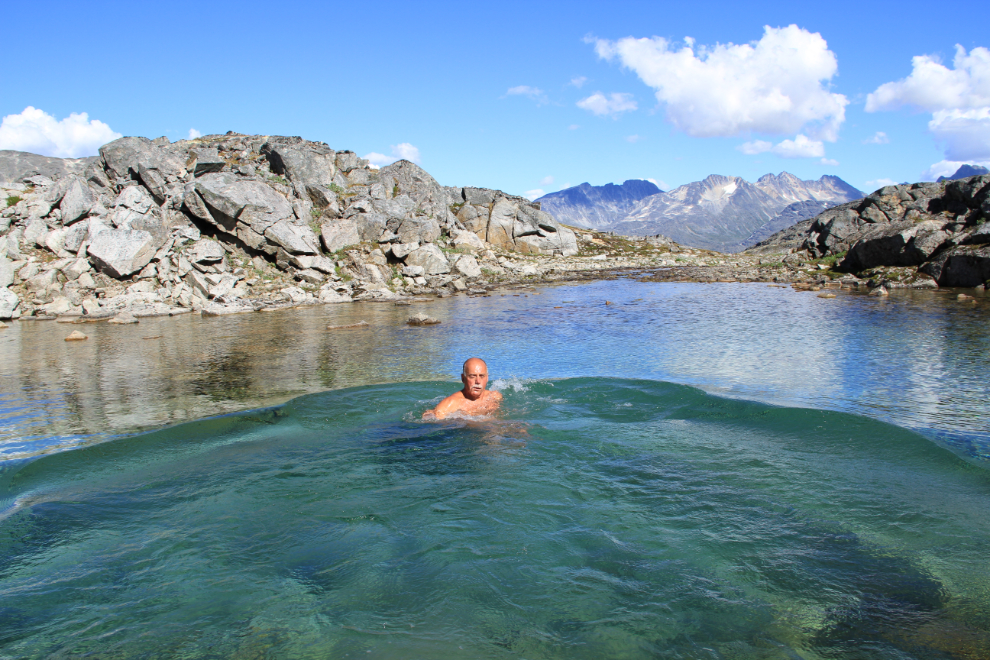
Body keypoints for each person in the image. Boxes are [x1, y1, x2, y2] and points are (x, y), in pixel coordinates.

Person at [424, 357, 503, 419]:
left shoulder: (495, 396)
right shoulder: (451, 403)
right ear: (463, 378)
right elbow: (431, 418)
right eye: (472, 376)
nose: (478, 381)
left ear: (487, 378)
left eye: (482, 376)